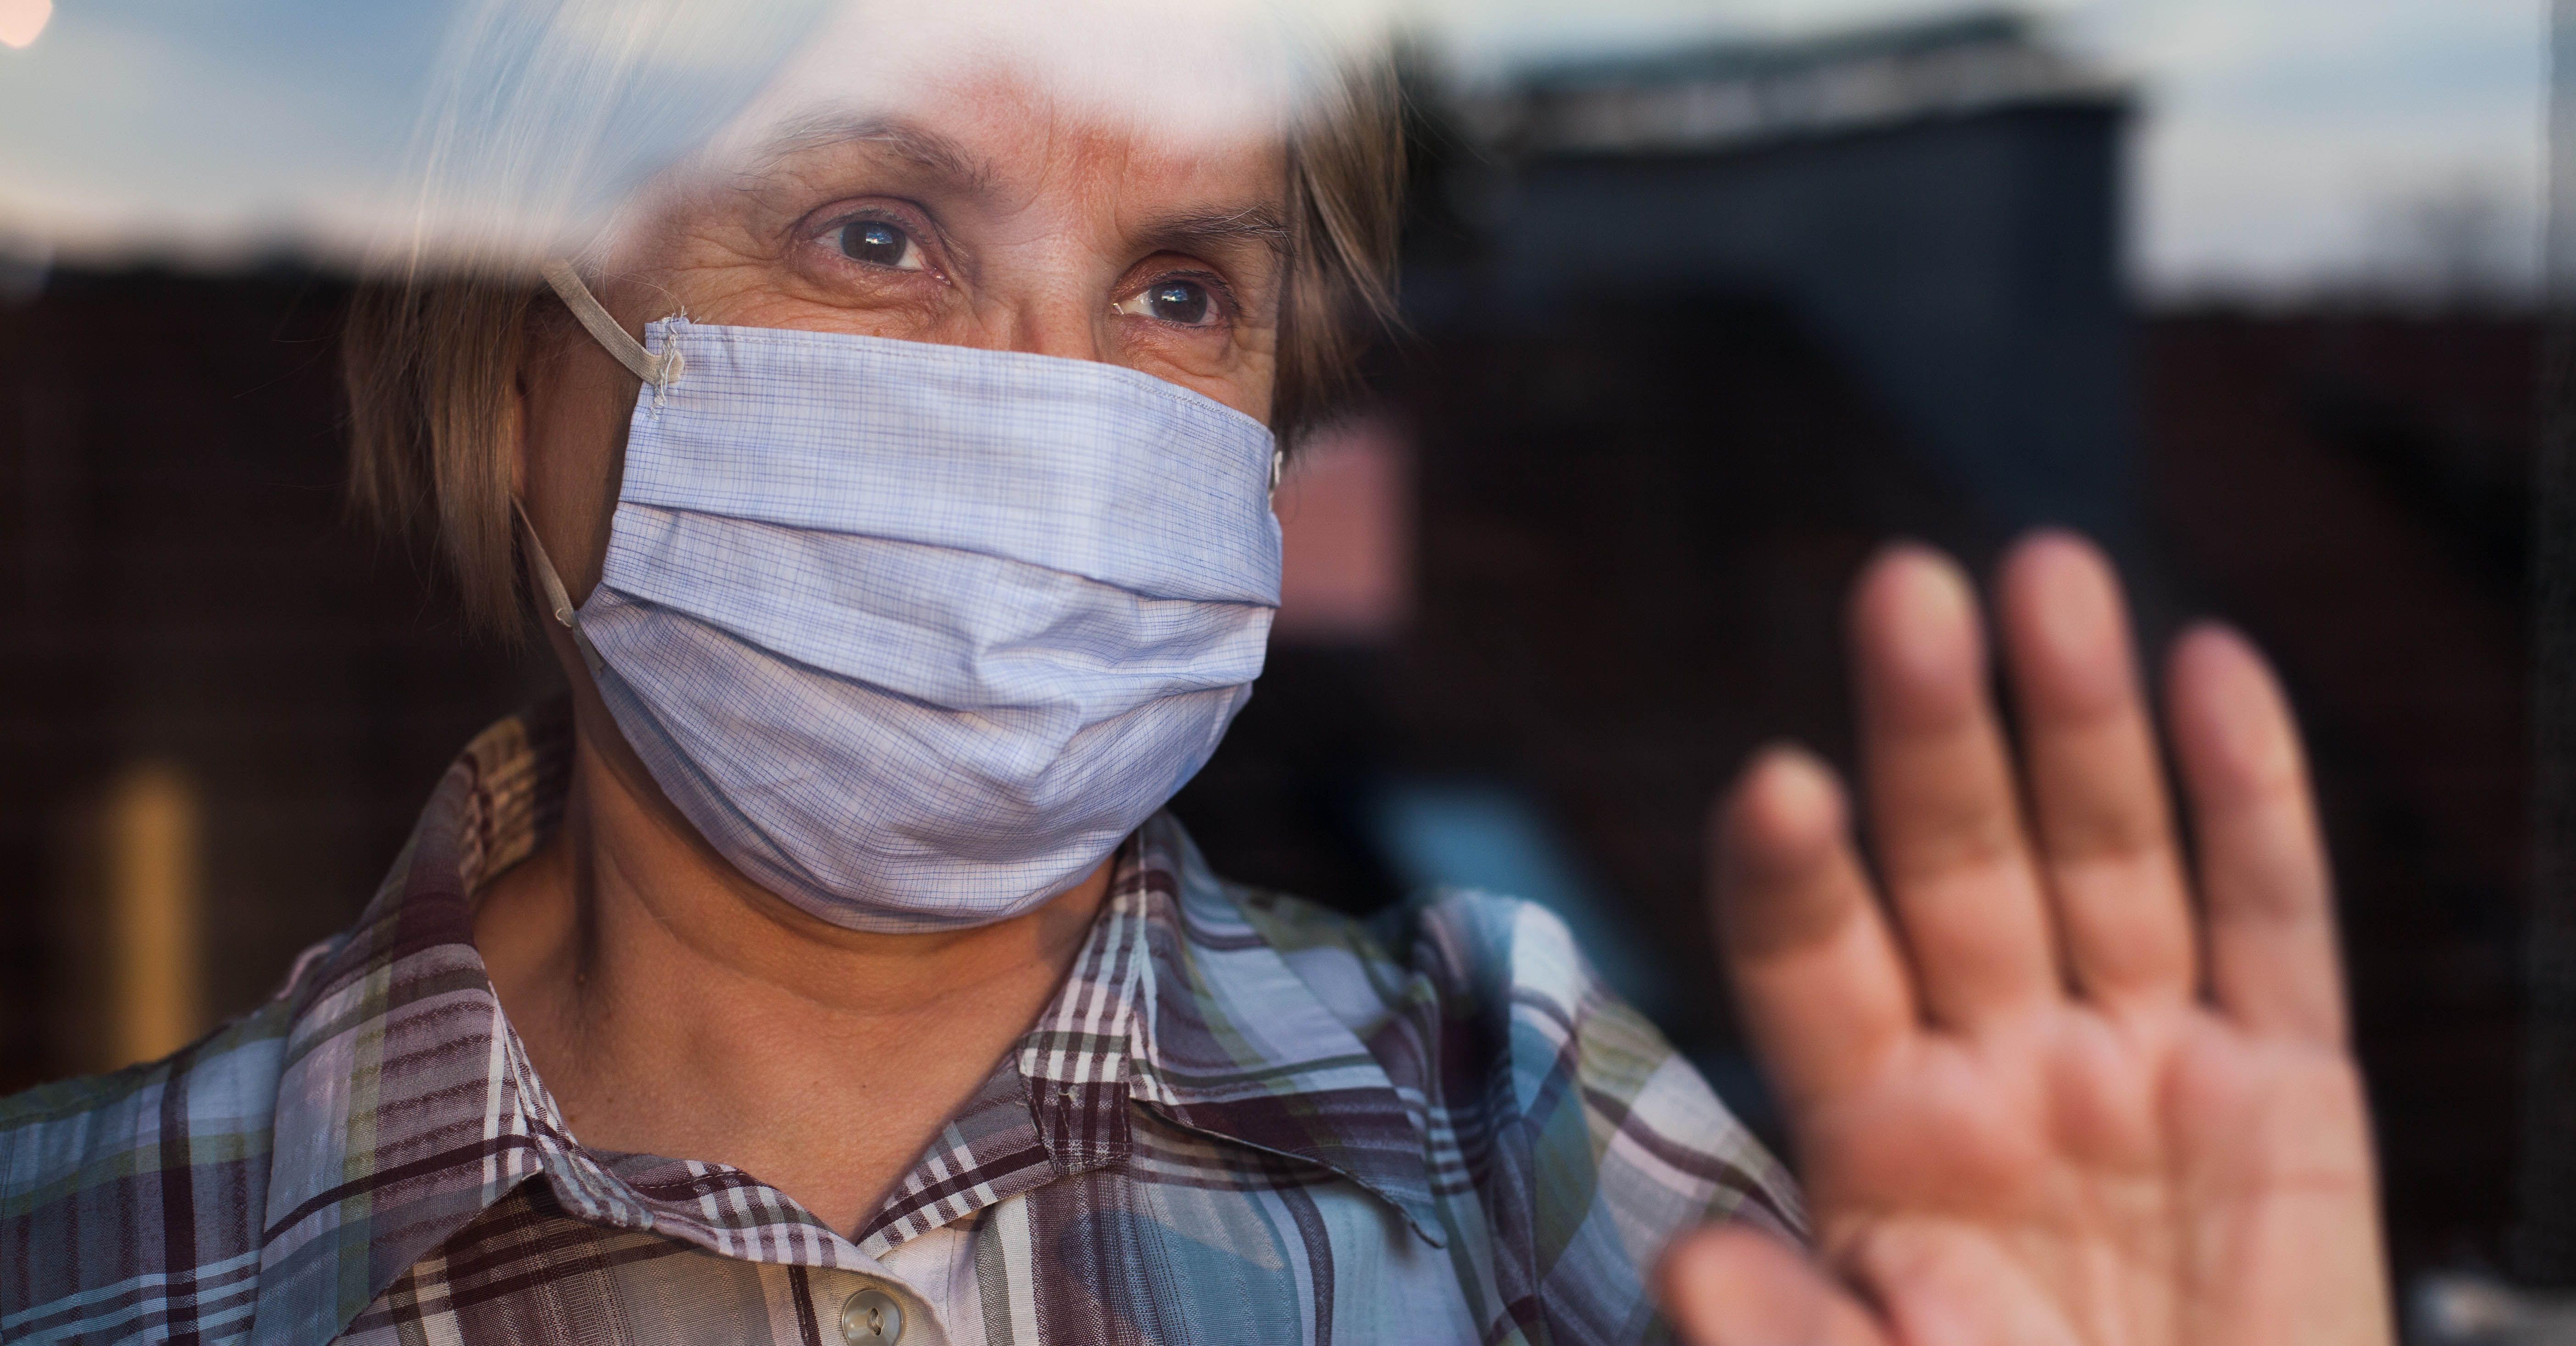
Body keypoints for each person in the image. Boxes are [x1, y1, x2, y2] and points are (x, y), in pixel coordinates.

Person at [0, 6, 2391, 1344]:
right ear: (519, 353)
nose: (1058, 413)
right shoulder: (87, 1261)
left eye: (1175, 292)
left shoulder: (1522, 1132)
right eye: (878, 230)